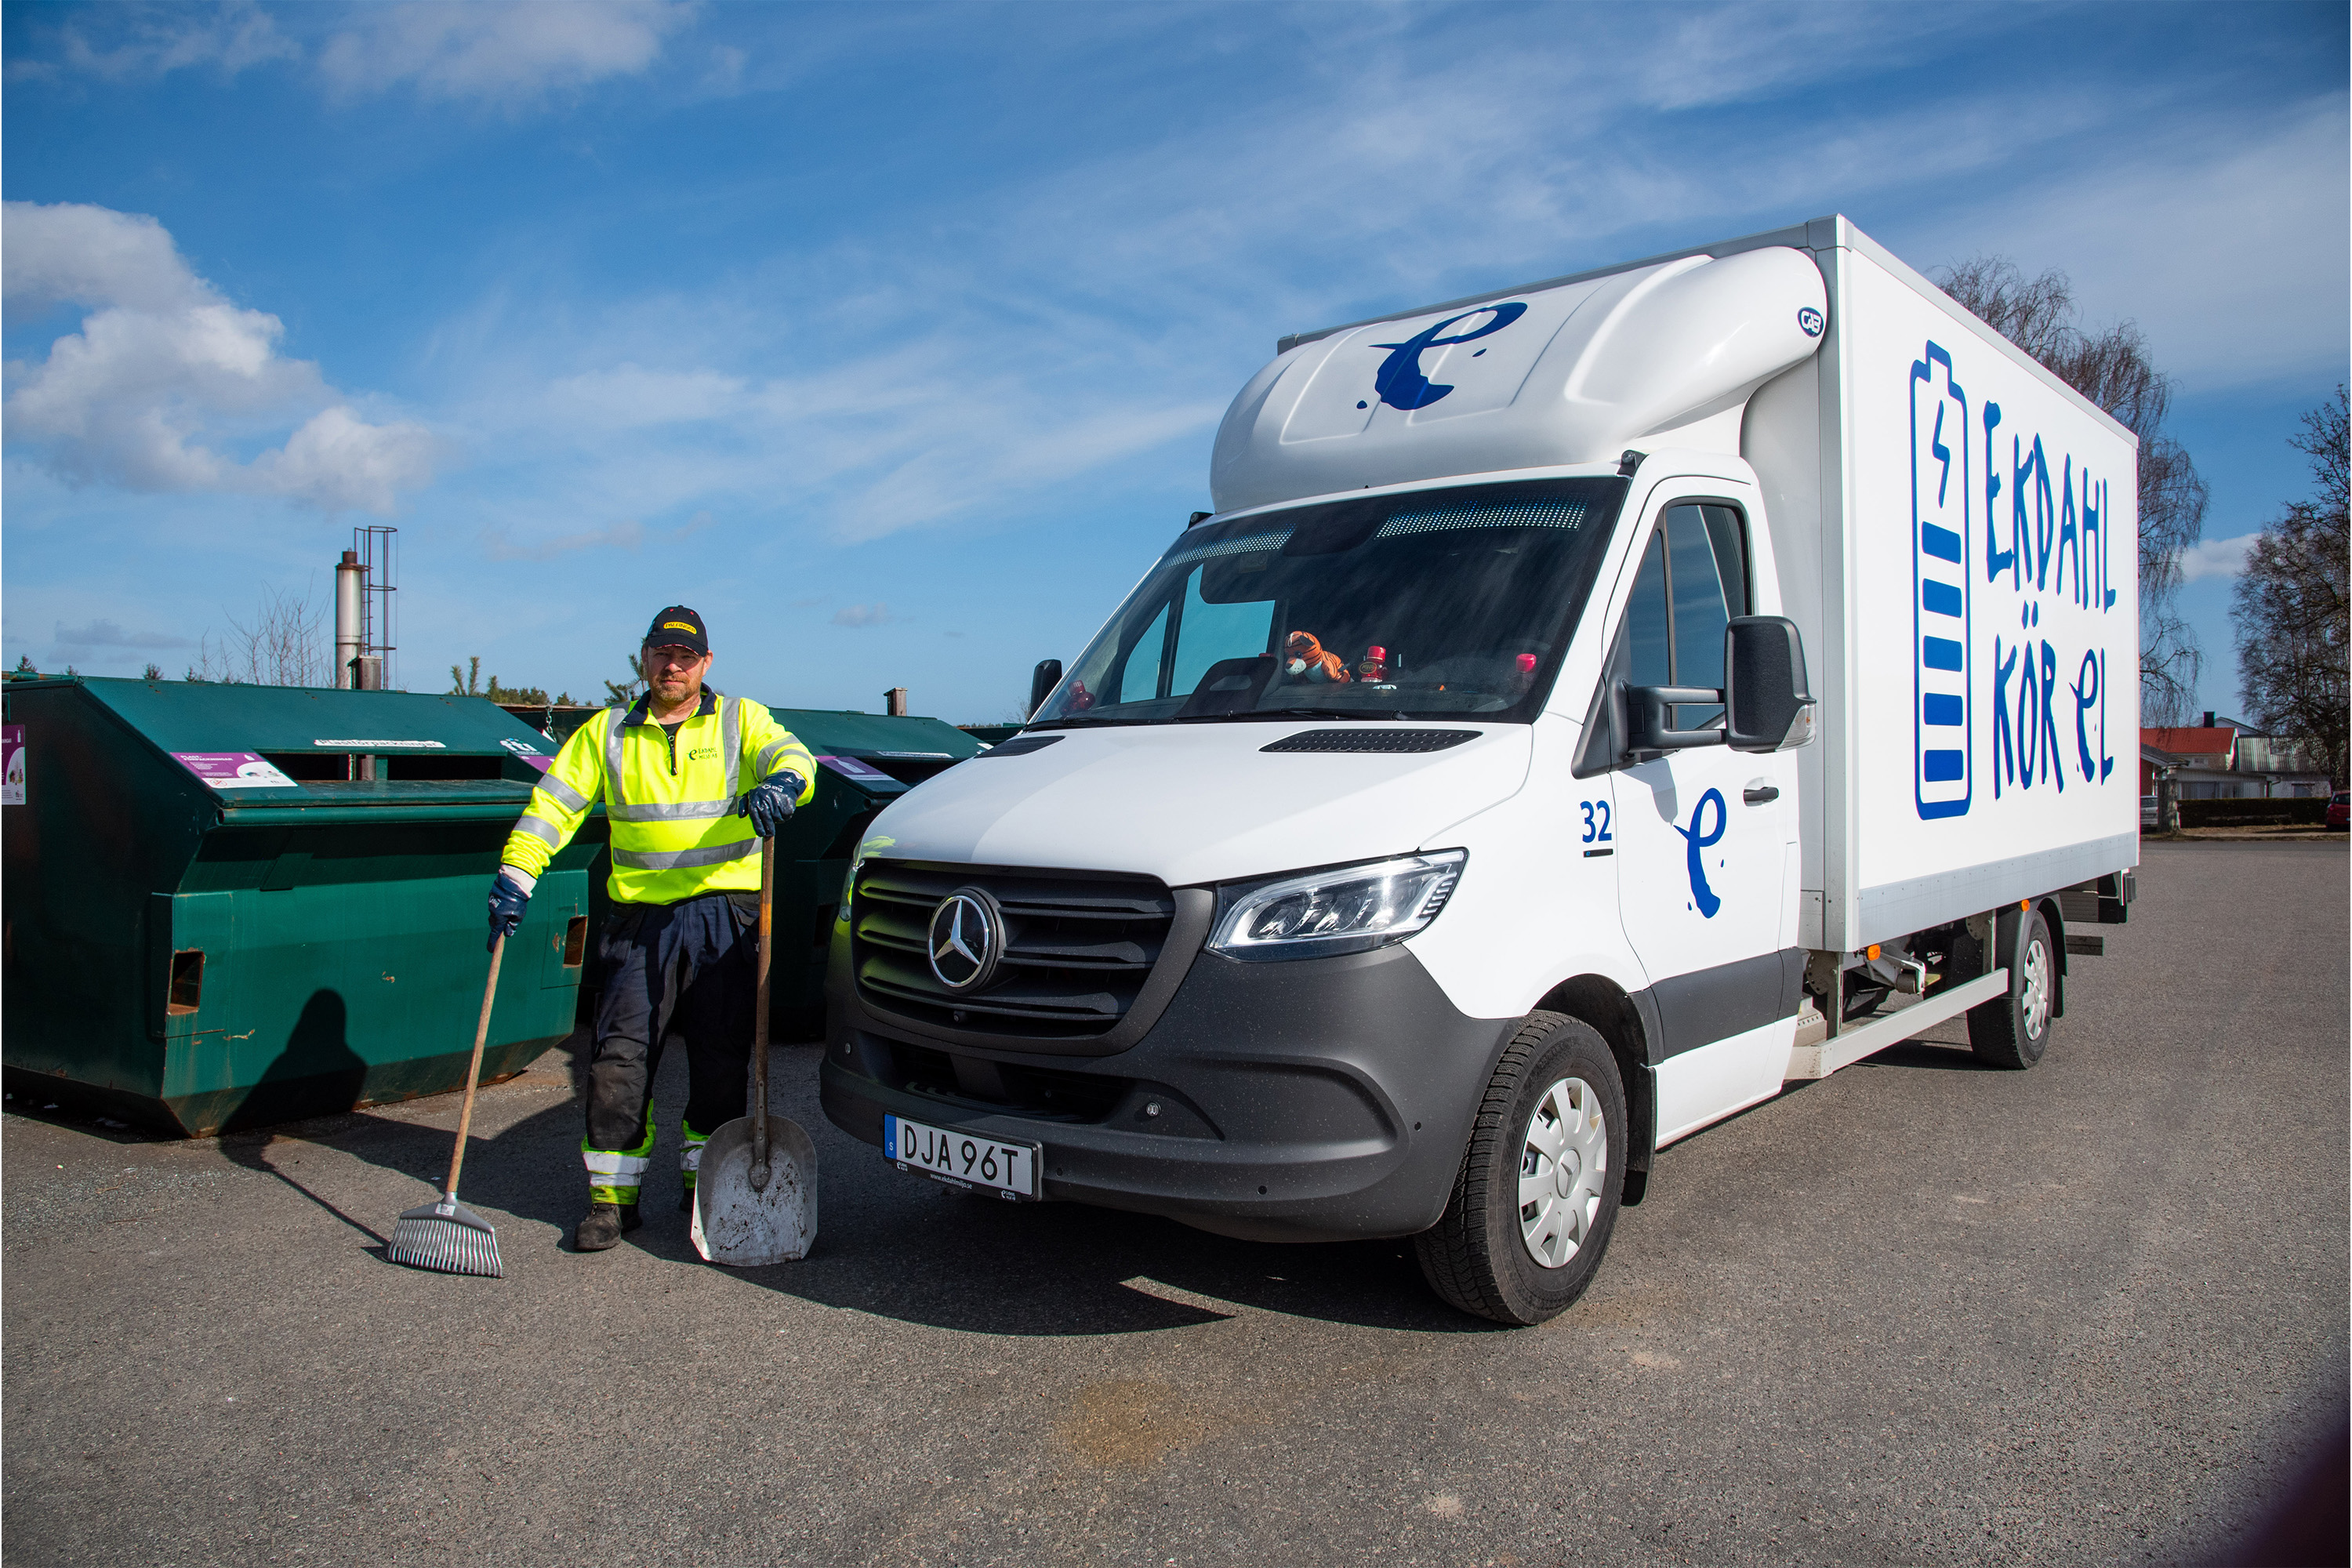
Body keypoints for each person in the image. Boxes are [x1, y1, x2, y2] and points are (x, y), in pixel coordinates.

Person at [487, 606, 816, 1251]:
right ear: (644, 657)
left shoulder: (740, 720)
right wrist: (516, 874)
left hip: (725, 917)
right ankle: (613, 1202)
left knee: (721, 1061)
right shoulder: (605, 733)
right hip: (639, 921)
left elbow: (794, 758)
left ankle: (706, 1185)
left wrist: (784, 783)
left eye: (686, 656)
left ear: (706, 663)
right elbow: (553, 807)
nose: (673, 666)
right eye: (663, 654)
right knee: (619, 1060)